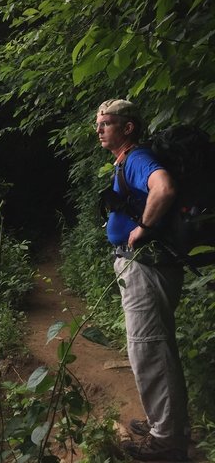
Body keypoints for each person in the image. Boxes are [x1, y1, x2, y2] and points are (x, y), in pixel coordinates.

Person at [96, 99, 189, 461]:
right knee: (154, 348)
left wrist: (142, 230)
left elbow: (163, 188)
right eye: (98, 125)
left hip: (147, 266)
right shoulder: (126, 160)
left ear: (128, 127)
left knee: (148, 348)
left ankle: (167, 441)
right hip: (144, 266)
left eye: (107, 123)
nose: (100, 129)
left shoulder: (137, 158)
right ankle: (165, 425)